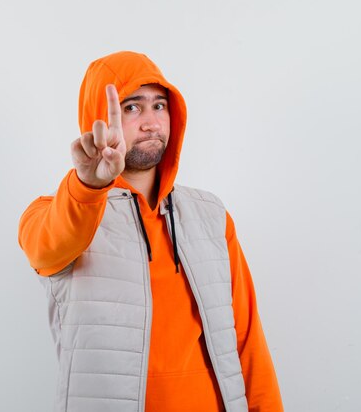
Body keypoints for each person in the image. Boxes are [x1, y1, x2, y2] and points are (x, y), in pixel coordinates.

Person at [18, 51, 283, 412]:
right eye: (131, 108)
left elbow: (248, 342)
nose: (151, 122)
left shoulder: (211, 215)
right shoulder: (60, 212)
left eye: (159, 105)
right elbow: (45, 248)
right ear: (99, 118)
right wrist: (87, 186)